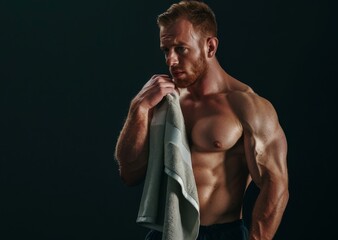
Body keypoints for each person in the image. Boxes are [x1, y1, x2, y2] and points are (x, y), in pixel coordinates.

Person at [114, 1, 289, 239]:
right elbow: (129, 174)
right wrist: (139, 107)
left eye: (180, 49)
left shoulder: (247, 107)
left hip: (223, 233)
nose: (170, 61)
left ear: (210, 47)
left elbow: (274, 183)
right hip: (167, 232)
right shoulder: (163, 101)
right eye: (166, 50)